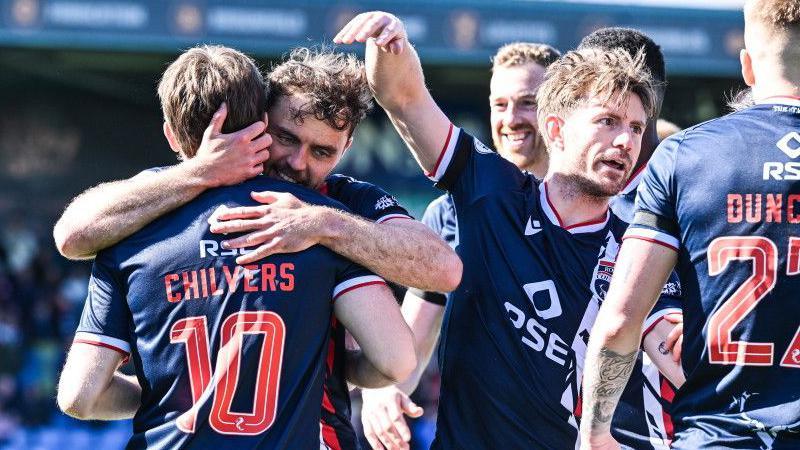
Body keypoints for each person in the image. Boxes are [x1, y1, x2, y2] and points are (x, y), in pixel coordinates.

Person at [53, 47, 462, 450]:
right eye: (286, 138)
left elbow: (444, 269)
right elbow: (397, 361)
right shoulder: (152, 200)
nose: (298, 163)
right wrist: (201, 173)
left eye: (322, 152)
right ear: (261, 122)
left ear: (348, 146)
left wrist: (324, 223)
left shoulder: (342, 209)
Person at [335, 12, 683, 449]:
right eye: (608, 121)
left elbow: (675, 348)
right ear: (555, 128)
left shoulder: (636, 250)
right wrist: (391, 45)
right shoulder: (492, 193)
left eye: (635, 128)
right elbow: (403, 98)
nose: (625, 142)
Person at [580, 1, 800, 449]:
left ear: (748, 66)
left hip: (719, 436)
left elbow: (622, 318)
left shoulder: (687, 155)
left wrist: (594, 433)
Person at [358, 41, 561, 450]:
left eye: (526, 103)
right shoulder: (450, 213)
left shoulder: (598, 207)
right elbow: (412, 341)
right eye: (499, 104)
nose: (510, 119)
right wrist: (383, 391)